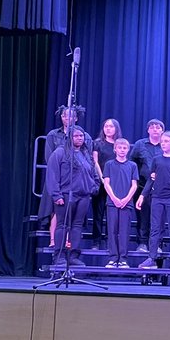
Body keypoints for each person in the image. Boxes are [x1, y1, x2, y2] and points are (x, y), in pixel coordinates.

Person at [46, 126, 99, 265]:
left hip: (84, 196)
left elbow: (93, 172)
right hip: (65, 194)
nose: (79, 138)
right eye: (76, 136)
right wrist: (56, 195)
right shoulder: (60, 153)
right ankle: (60, 256)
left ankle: (73, 255)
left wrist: (94, 186)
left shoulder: (85, 153)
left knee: (77, 226)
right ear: (69, 137)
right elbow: (52, 175)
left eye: (81, 136)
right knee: (62, 225)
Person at [137, 130, 170, 270]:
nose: (163, 144)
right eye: (162, 142)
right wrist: (142, 195)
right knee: (155, 228)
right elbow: (151, 179)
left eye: (166, 141)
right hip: (157, 198)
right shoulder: (157, 160)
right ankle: (151, 257)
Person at [38, 105, 80, 249]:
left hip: (74, 178)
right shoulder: (53, 135)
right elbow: (48, 156)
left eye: (71, 116)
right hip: (57, 176)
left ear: (76, 118)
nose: (67, 118)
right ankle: (54, 240)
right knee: (56, 209)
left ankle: (68, 242)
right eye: (64, 115)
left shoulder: (82, 135)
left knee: (72, 212)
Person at [101, 137, 138, 268]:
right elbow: (106, 183)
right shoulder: (109, 164)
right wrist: (114, 198)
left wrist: (126, 199)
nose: (122, 150)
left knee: (124, 231)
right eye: (120, 148)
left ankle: (123, 258)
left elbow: (134, 185)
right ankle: (113, 258)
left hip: (126, 203)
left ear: (128, 150)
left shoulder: (132, 165)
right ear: (115, 149)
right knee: (112, 230)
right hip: (112, 203)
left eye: (125, 148)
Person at [130, 119, 165, 250]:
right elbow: (132, 163)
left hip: (161, 187)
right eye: (152, 127)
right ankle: (143, 242)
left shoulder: (166, 144)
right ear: (148, 130)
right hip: (143, 186)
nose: (155, 129)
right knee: (143, 216)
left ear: (162, 130)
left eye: (158, 127)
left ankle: (157, 244)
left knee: (158, 218)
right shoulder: (140, 144)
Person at [91, 118, 123, 249]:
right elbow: (95, 162)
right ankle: (97, 241)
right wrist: (102, 178)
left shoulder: (119, 144)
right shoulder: (98, 143)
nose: (108, 129)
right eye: (106, 126)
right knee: (98, 213)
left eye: (111, 126)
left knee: (113, 215)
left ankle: (112, 241)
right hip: (100, 182)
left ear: (116, 129)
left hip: (115, 184)